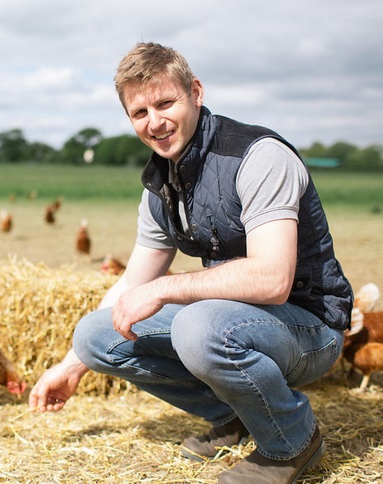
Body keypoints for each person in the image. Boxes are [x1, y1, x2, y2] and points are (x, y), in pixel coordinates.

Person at [28, 42, 353, 483]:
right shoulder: (160, 184)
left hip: (310, 327)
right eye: (139, 113)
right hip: (233, 320)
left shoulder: (258, 156)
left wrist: (163, 289)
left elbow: (273, 279)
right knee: (96, 334)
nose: (155, 122)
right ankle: (238, 417)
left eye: (165, 103)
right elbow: (131, 285)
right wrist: (71, 366)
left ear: (195, 92)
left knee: (197, 327)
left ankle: (290, 442)